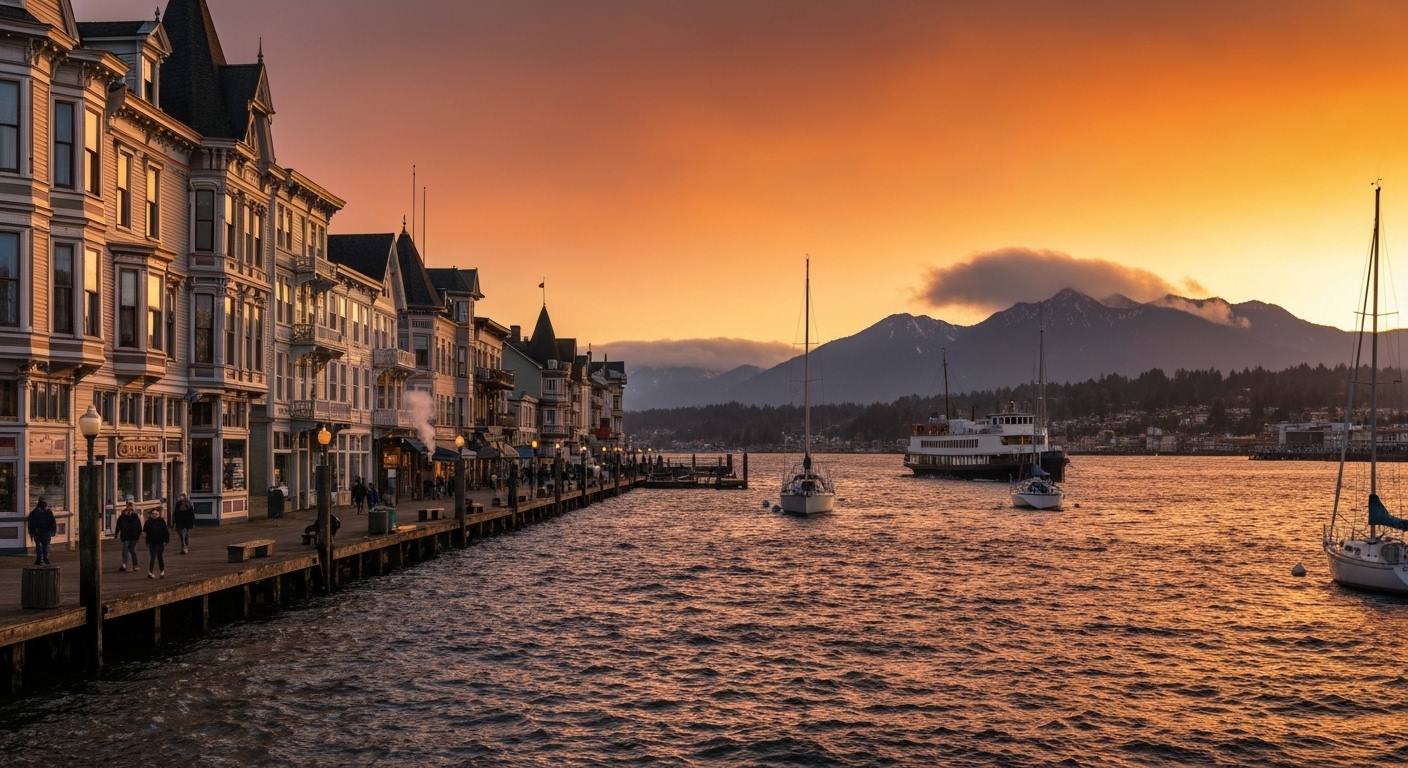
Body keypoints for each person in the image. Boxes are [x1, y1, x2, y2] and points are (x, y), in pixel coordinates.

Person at [27, 497, 55, 566]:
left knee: (39, 545)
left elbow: (31, 523)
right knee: (46, 545)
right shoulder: (48, 512)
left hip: (38, 531)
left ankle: (40, 558)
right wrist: (52, 530)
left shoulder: (34, 513)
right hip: (45, 531)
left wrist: (32, 532)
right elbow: (52, 522)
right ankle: (45, 558)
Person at [116, 502, 143, 572]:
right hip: (126, 536)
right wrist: (116, 533)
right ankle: (126, 564)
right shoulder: (122, 517)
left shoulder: (135, 517)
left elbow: (139, 528)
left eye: (130, 508)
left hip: (133, 536)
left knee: (131, 549)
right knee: (126, 549)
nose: (129, 510)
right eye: (128, 508)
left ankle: (133, 564)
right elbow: (118, 525)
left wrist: (137, 536)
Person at [143, 508, 170, 579]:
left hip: (160, 541)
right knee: (152, 557)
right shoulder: (148, 522)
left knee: (159, 556)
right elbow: (145, 532)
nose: (154, 515)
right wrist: (147, 541)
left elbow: (165, 531)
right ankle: (150, 572)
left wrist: (166, 540)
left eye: (156, 514)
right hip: (151, 542)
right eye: (153, 514)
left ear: (158, 514)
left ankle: (162, 571)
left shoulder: (161, 521)